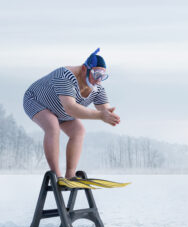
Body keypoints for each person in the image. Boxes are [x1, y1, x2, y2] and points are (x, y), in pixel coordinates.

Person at [23, 48, 120, 186]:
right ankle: (57, 176)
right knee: (52, 126)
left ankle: (70, 175)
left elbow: (105, 110)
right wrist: (100, 115)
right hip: (36, 101)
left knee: (79, 131)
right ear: (85, 68)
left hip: (61, 110)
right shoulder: (65, 76)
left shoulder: (97, 88)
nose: (98, 80)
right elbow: (71, 108)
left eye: (102, 76)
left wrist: (109, 116)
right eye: (96, 74)